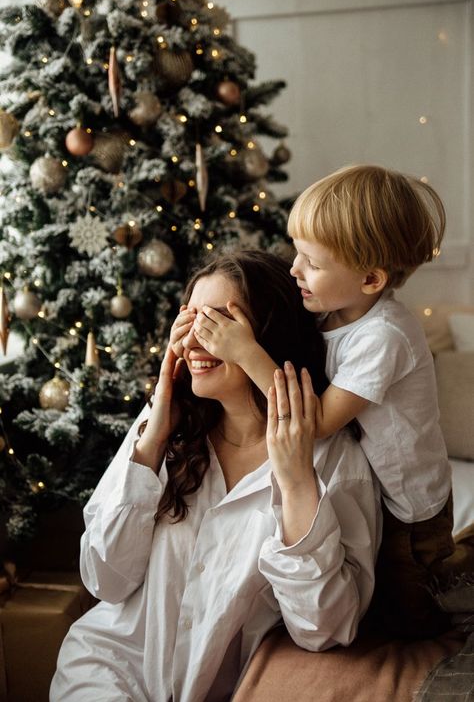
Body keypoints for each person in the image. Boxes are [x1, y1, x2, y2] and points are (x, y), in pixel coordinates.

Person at [50, 250, 380, 702]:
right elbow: (105, 579)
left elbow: (323, 629)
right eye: (190, 321)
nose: (195, 340)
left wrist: (297, 482)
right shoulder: (165, 428)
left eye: (219, 322)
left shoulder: (336, 463)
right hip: (106, 671)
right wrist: (151, 441)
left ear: (267, 334)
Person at [191, 166, 455, 637]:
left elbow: (316, 423)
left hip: (412, 507)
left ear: (370, 279)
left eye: (311, 262)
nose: (294, 269)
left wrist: (246, 352)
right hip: (375, 486)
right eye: (297, 253)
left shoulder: (385, 335)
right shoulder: (330, 312)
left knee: (412, 605)